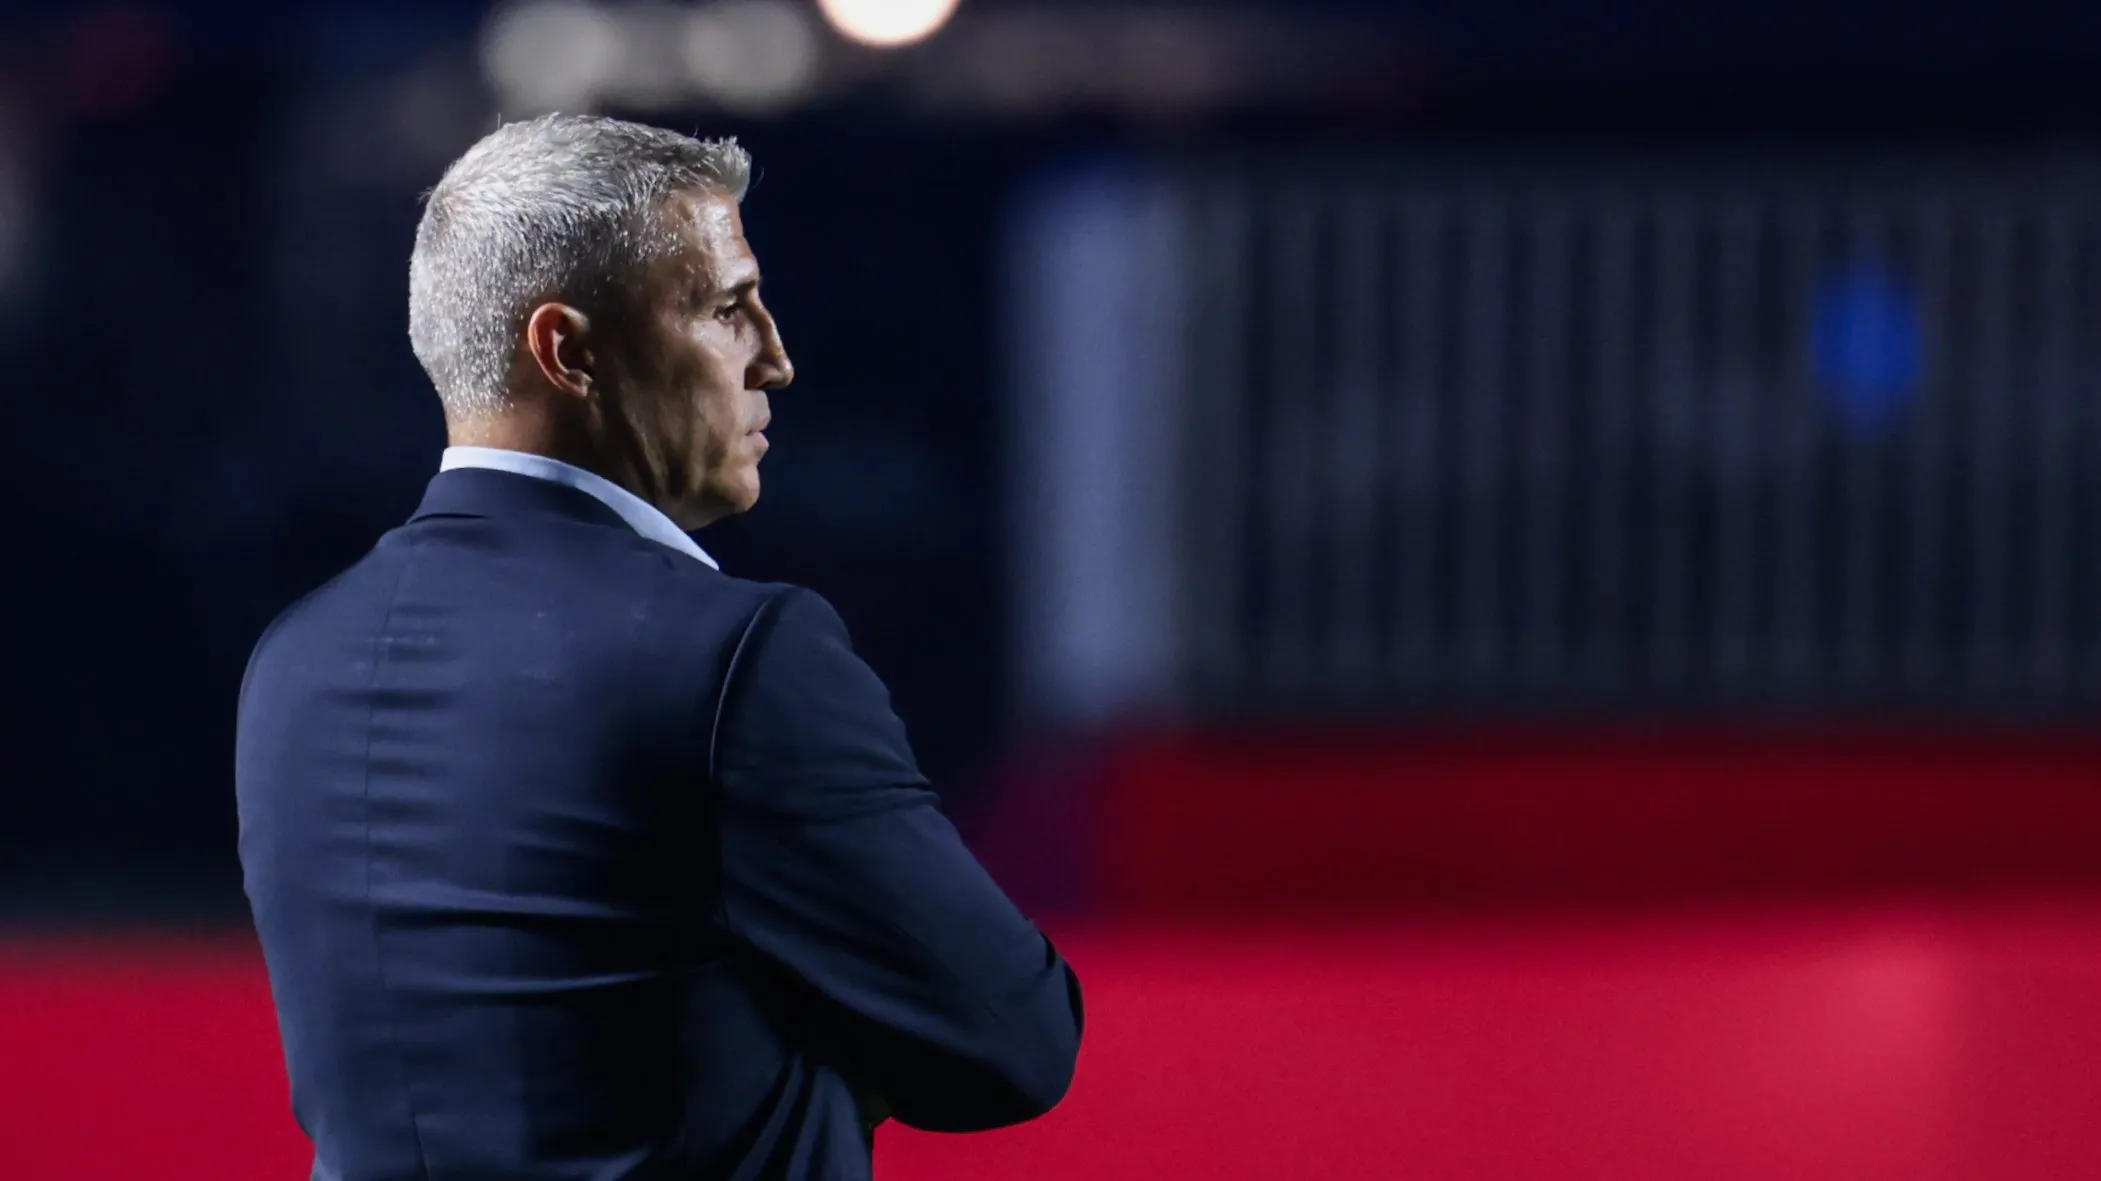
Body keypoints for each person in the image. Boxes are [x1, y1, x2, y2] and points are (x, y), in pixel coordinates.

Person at [235, 114, 1083, 1181]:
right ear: (568, 350)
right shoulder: (739, 656)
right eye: (727, 308)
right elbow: (1016, 1040)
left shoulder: (294, 660)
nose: (774, 355)